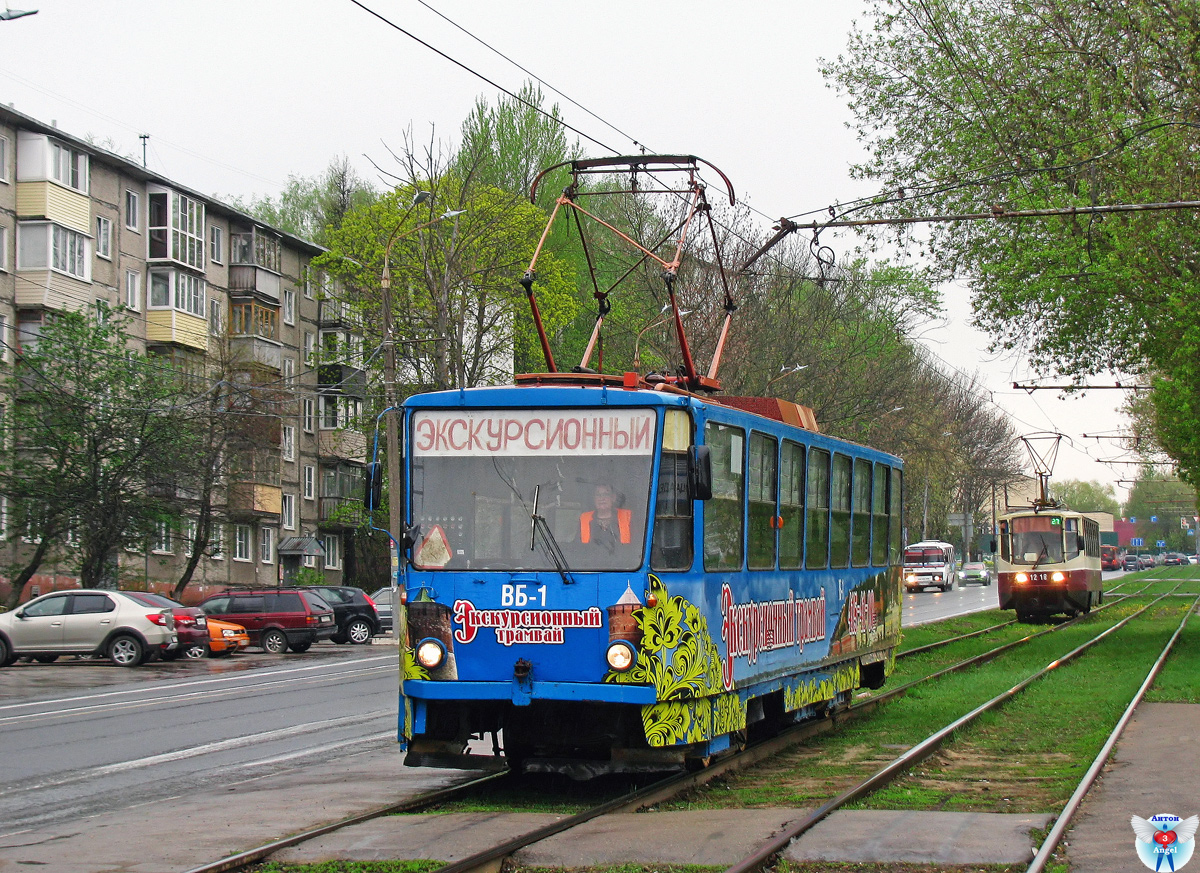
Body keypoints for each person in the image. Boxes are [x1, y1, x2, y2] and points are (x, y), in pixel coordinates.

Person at [580, 483, 631, 548]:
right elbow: (577, 548)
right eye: (598, 495)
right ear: (594, 499)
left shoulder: (627, 517)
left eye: (606, 494)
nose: (602, 498)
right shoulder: (584, 519)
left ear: (613, 498)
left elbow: (637, 547)